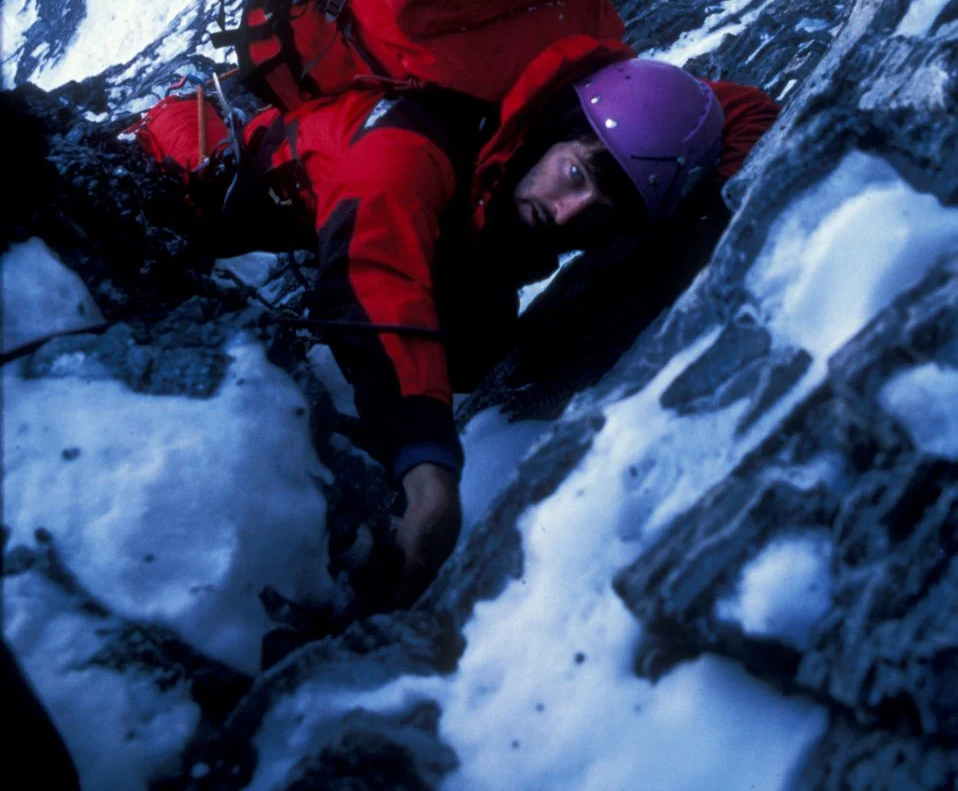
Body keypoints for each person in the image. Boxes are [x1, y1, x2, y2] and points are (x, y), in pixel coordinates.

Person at [133, 36, 779, 607]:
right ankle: (176, 125)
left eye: (603, 208)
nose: (571, 212)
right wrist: (428, 468)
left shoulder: (596, 114)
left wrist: (708, 206)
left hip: (457, 224)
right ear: (557, 125)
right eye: (575, 174)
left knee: (475, 355)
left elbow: (739, 110)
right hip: (279, 197)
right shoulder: (408, 147)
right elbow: (372, 275)